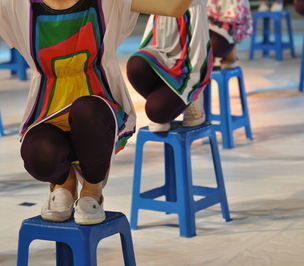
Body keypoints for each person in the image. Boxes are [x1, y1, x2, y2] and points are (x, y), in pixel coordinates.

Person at [0, 0, 193, 225]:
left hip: (101, 107)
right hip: (47, 110)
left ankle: (92, 190)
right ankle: (64, 183)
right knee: (38, 154)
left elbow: (173, 6)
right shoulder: (17, 5)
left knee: (88, 111)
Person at [126, 0, 213, 132]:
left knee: (156, 111)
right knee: (136, 65)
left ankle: (191, 96)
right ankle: (169, 96)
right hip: (162, 17)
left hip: (189, 21)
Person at [207, 0, 253, 69]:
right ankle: (230, 59)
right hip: (220, 42)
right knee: (233, 28)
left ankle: (208, 62)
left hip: (202, 41)